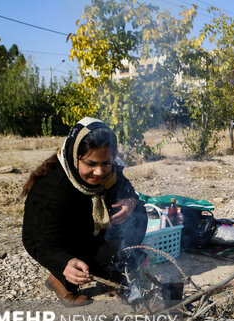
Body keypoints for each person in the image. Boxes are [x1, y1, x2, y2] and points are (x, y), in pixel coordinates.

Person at [22, 117, 148, 306]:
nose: (99, 172)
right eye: (91, 164)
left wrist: (131, 202)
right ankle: (59, 279)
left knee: (138, 215)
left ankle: (111, 275)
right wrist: (64, 262)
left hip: (94, 235)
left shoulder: (111, 171)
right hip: (68, 243)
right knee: (70, 259)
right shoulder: (51, 188)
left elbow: (127, 190)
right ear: (75, 156)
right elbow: (36, 239)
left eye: (105, 163)